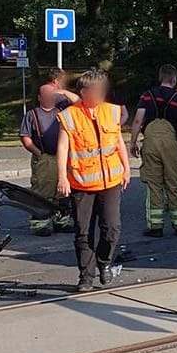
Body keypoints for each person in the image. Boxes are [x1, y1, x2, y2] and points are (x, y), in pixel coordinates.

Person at [56, 70, 131, 292]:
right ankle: (86, 277)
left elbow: (118, 141)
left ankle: (104, 261)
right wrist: (62, 176)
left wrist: (127, 168)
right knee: (83, 231)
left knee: (112, 228)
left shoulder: (112, 112)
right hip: (82, 183)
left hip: (111, 182)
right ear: (84, 92)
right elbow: (62, 147)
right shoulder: (70, 116)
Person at [128, 65, 177, 236]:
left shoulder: (147, 95)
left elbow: (137, 120)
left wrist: (133, 141)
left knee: (154, 184)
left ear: (160, 77)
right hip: (171, 143)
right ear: (174, 79)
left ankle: (156, 227)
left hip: (151, 143)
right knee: (173, 184)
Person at [18, 84, 76, 236]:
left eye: (52, 95)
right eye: (46, 95)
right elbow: (25, 137)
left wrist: (63, 91)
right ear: (39, 98)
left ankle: (62, 220)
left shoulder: (62, 112)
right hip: (44, 158)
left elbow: (78, 102)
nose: (50, 98)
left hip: (62, 157)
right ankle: (41, 223)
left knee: (63, 191)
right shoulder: (32, 115)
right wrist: (39, 153)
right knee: (43, 191)